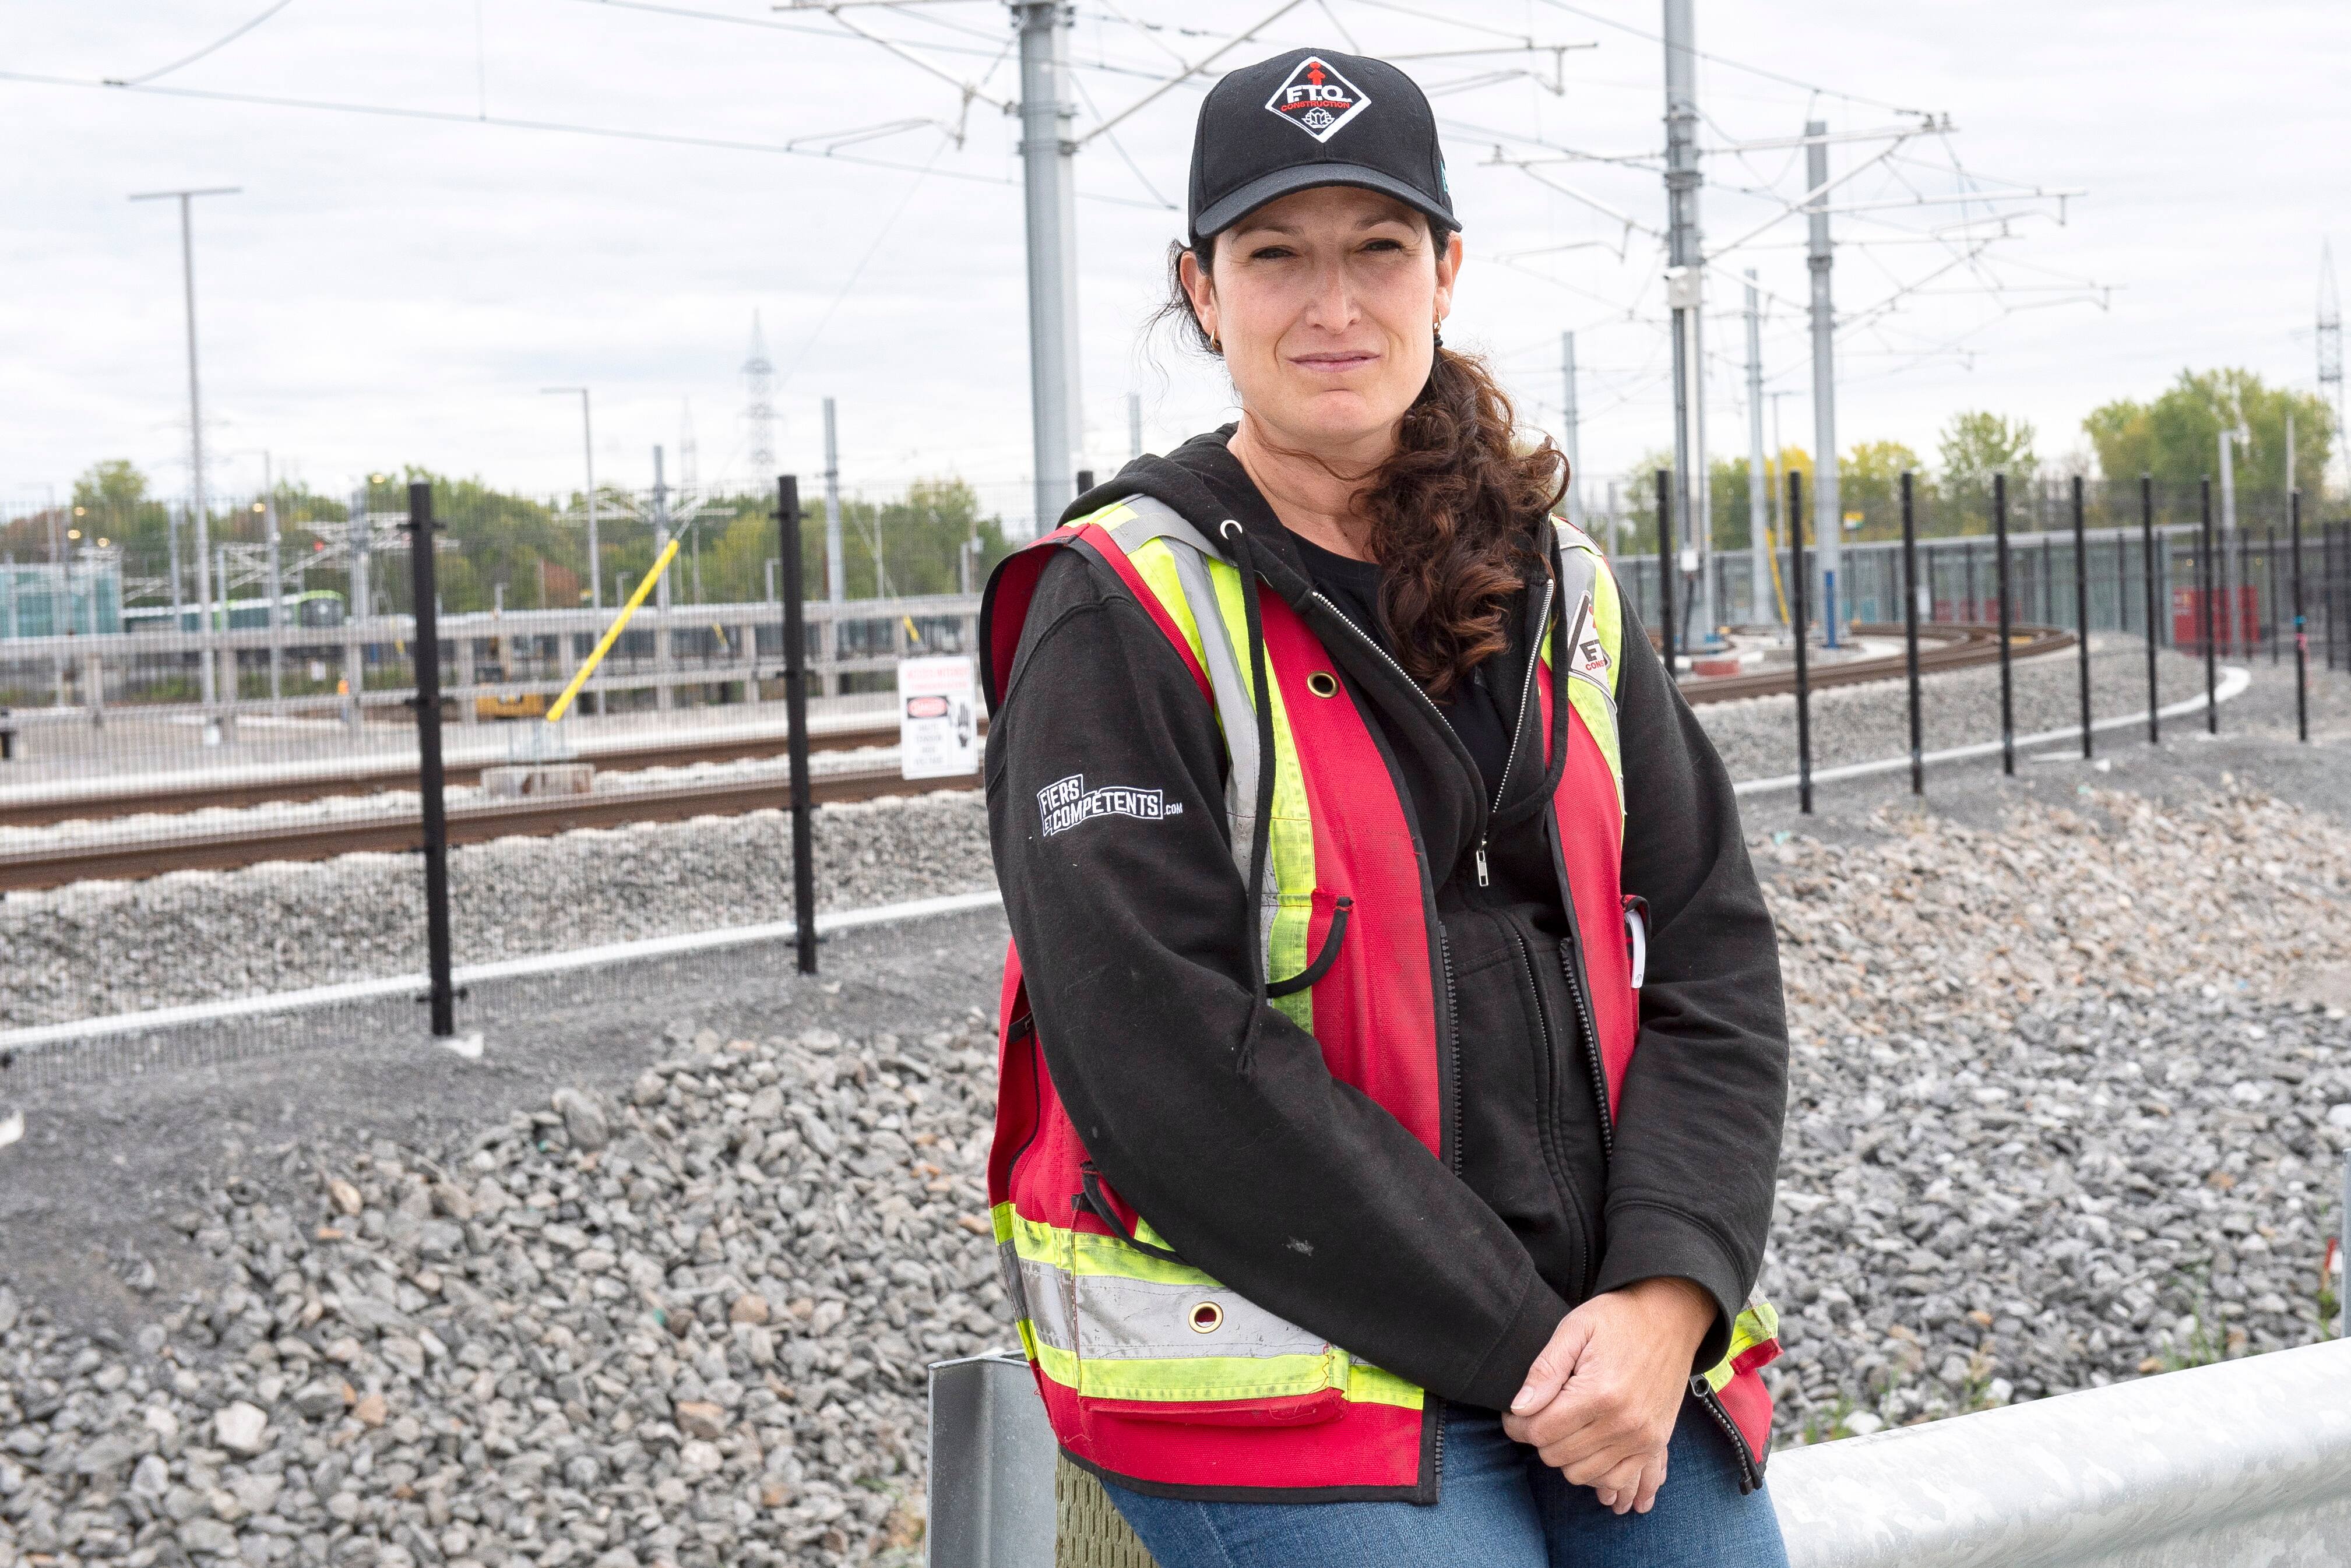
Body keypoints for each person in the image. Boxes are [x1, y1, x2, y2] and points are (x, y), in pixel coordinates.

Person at [979, 46, 1790, 1568]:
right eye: (1274, 255)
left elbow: (1711, 953)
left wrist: (1667, 1294)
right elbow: (1169, 1070)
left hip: (1597, 1320)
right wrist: (1543, 1353)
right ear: (1202, 291)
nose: (1331, 304)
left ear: (1445, 271)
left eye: (1377, 250)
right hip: (1268, 1352)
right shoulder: (1120, 608)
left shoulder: (1563, 588)